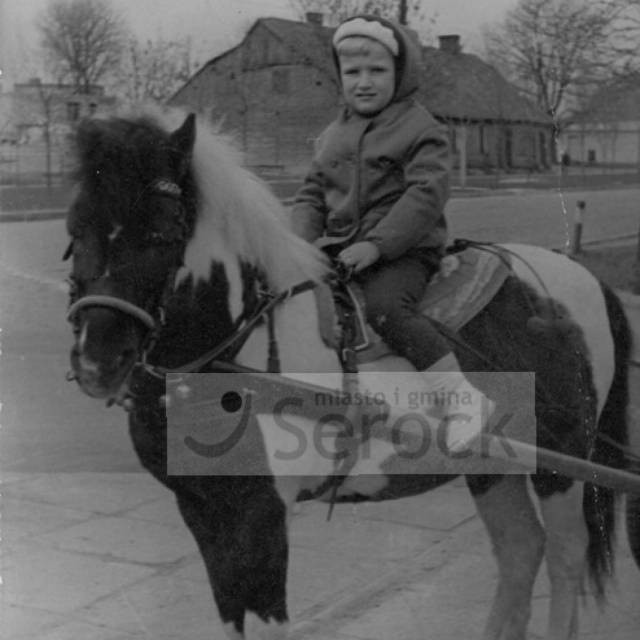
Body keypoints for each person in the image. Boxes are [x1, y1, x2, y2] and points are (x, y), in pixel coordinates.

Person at [291, 14, 493, 451]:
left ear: (400, 75)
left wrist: (377, 245)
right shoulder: (331, 135)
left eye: (377, 71)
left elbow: (426, 193)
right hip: (342, 249)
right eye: (353, 72)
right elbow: (311, 193)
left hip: (403, 250)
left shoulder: (421, 128)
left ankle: (461, 398)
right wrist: (296, 244)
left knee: (387, 307)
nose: (364, 82)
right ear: (340, 77)